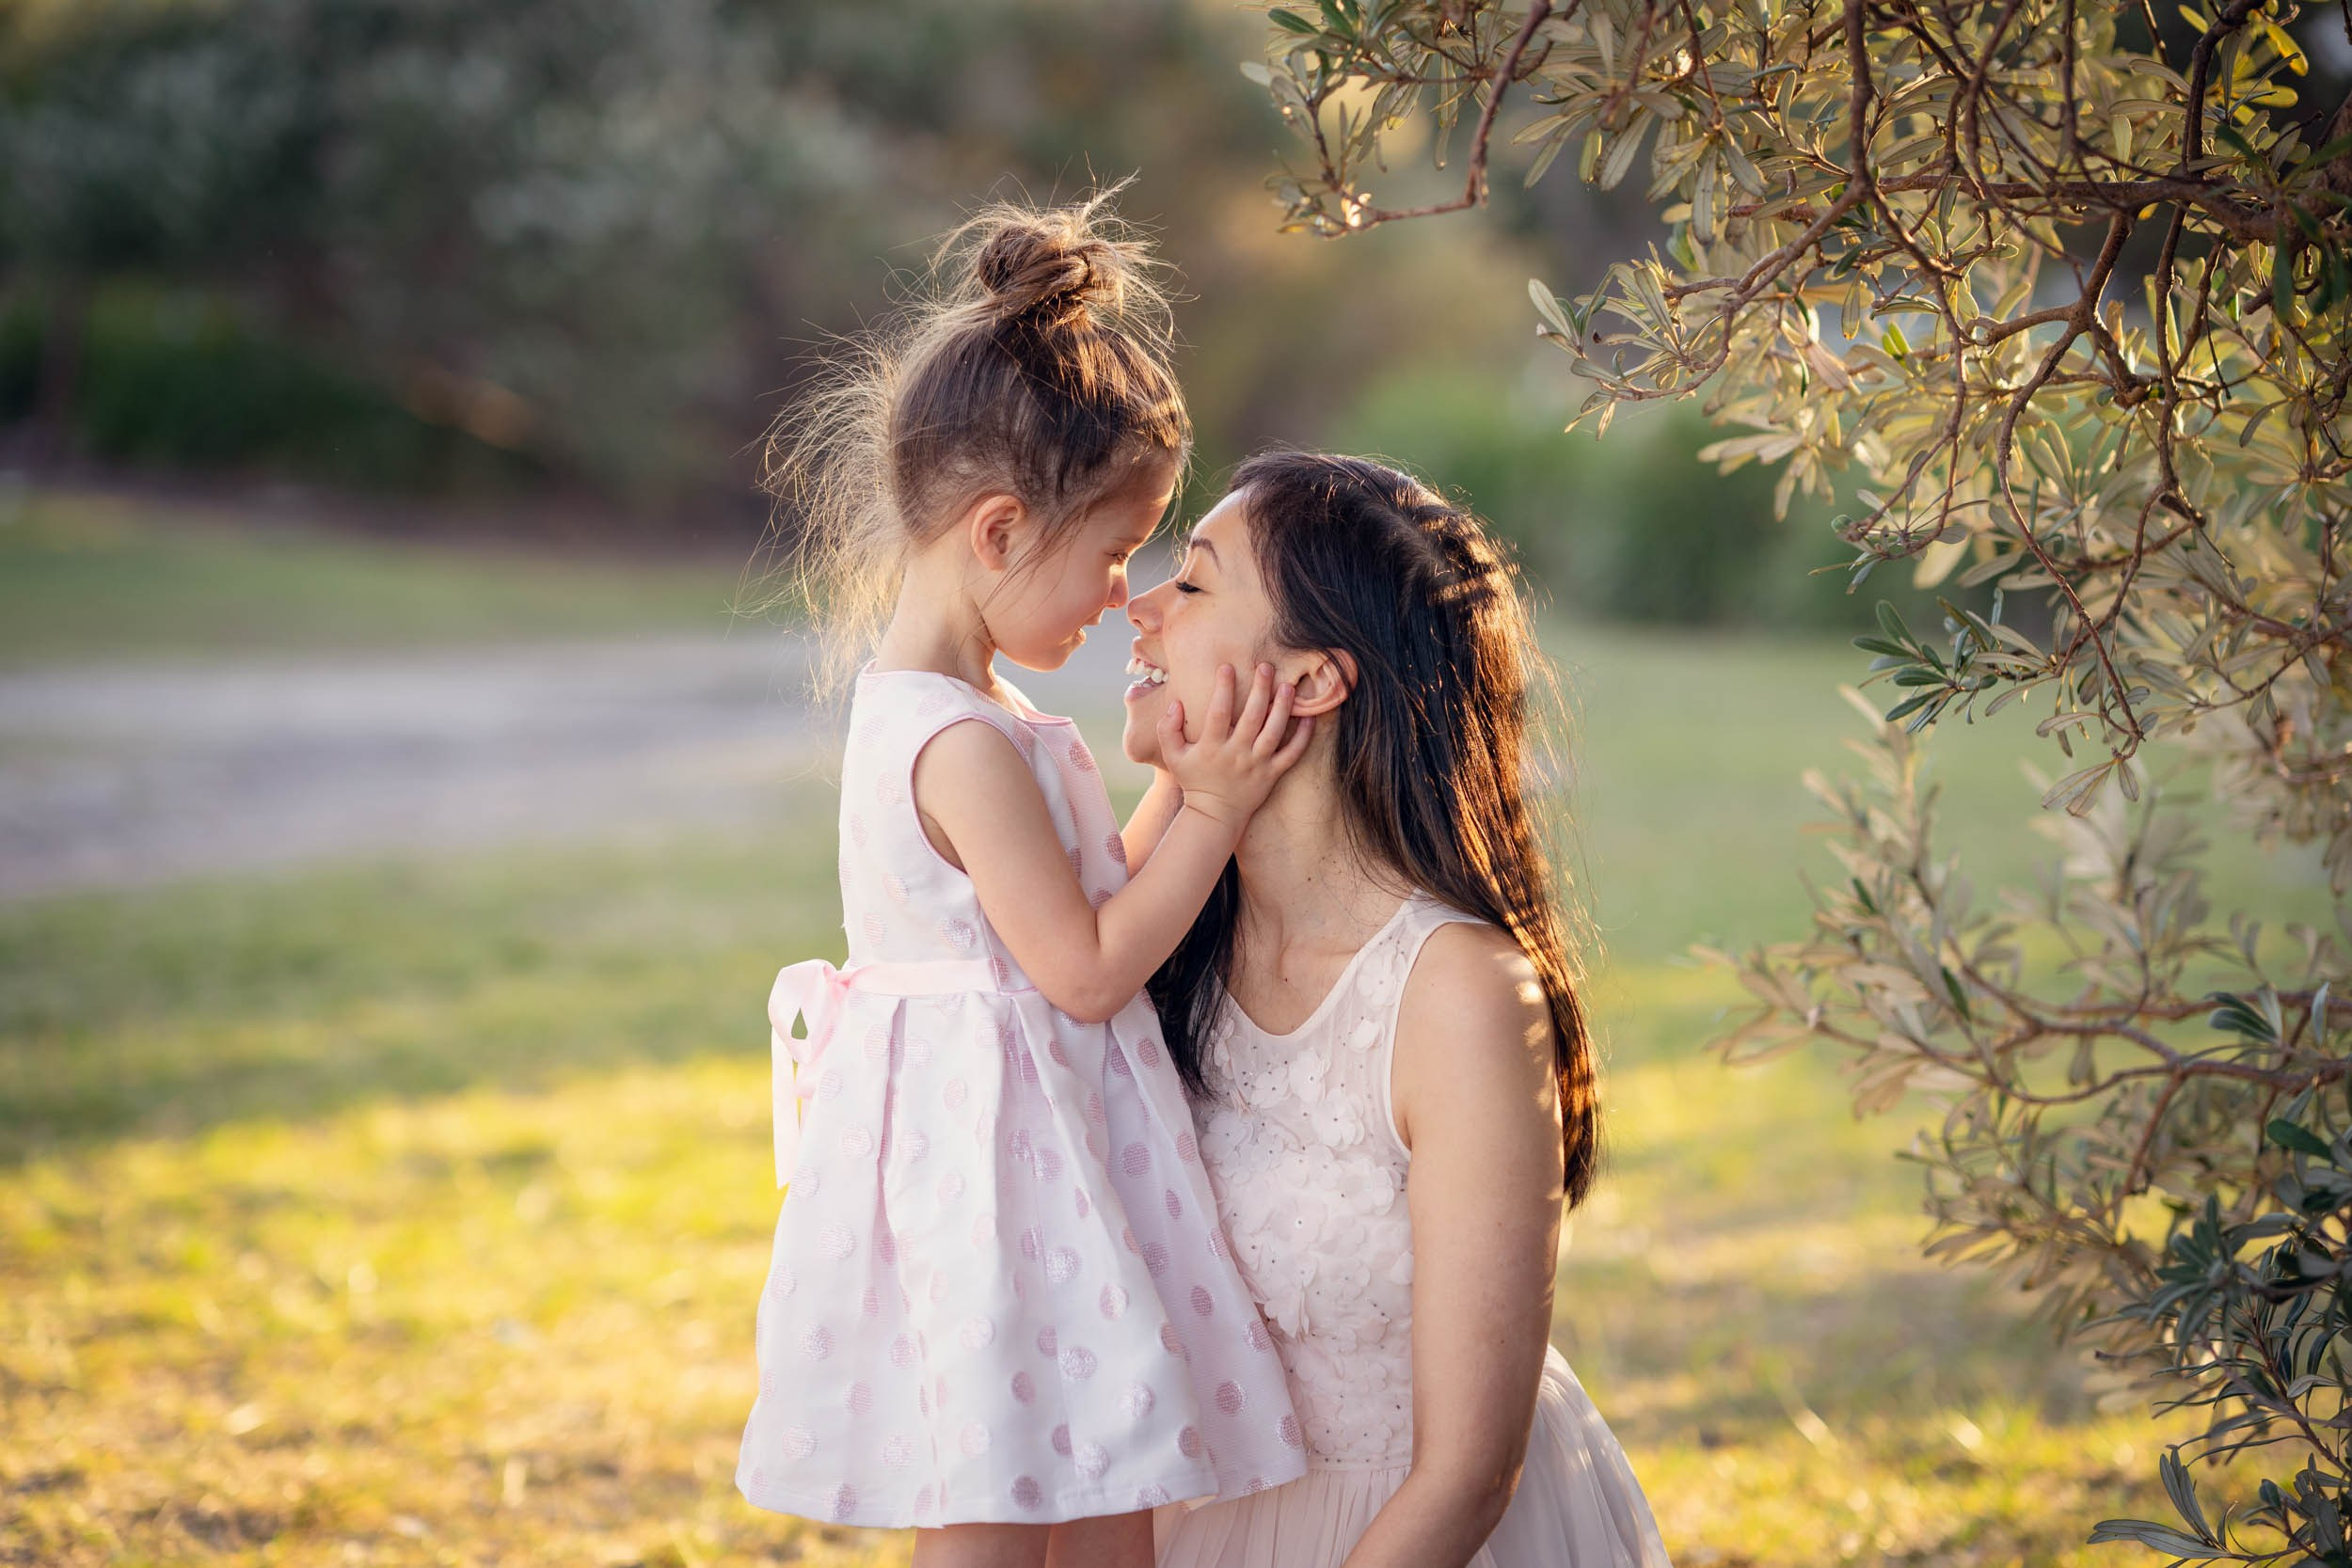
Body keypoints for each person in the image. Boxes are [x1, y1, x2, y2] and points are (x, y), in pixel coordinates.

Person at [735, 196, 1313, 1568]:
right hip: (995, 1175)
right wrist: (1220, 807)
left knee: (1113, 1464)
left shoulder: (974, 707)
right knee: (993, 1497)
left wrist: (1183, 769)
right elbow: (1090, 962)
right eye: (1113, 553)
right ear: (998, 532)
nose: (1124, 595)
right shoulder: (954, 740)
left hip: (1044, 1148)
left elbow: (1105, 887)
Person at [1127, 452, 1672, 1568]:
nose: (1136, 609)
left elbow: (1469, 1472)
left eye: (1190, 583)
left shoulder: (1461, 995)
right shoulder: (1152, 939)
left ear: (1314, 682)